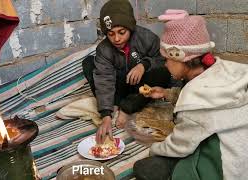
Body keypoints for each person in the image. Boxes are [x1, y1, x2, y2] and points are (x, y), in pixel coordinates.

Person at [133, 9, 248, 180]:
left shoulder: (193, 99)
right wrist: (167, 93)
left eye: (167, 59)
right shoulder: (228, 68)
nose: (165, 65)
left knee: (146, 168)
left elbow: (180, 146)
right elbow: (209, 105)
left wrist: (153, 149)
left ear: (180, 57)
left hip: (228, 165)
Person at [82, 0, 172, 144]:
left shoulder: (146, 37)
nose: (116, 39)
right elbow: (104, 80)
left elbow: (163, 59)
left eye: (121, 32)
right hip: (119, 86)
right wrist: (106, 115)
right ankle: (115, 104)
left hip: (139, 88)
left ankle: (126, 108)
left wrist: (144, 65)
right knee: (88, 63)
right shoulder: (104, 49)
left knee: (162, 73)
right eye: (111, 34)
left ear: (130, 27)